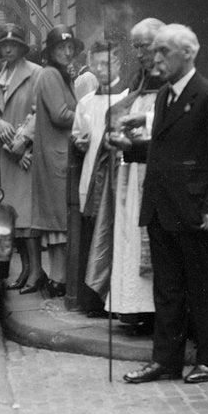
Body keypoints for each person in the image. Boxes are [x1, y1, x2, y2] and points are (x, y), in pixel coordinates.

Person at [122, 24, 208, 385]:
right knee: (167, 288)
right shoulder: (164, 97)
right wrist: (129, 149)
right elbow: (165, 150)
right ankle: (165, 362)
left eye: (163, 52)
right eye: (154, 52)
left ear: (188, 53)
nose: (156, 60)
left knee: (202, 287)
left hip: (193, 210)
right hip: (161, 207)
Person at [87, 18, 165, 332]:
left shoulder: (171, 77)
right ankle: (133, 308)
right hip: (132, 173)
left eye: (143, 45)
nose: (139, 52)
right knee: (130, 238)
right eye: (135, 46)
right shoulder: (140, 78)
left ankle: (155, 310)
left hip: (154, 174)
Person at [72, 40, 131, 315]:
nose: (99, 69)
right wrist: (79, 143)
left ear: (118, 62)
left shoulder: (129, 96)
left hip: (118, 179)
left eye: (105, 63)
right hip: (90, 178)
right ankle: (94, 301)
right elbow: (78, 136)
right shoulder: (84, 102)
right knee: (92, 237)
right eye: (95, 64)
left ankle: (117, 303)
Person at [29, 25, 83, 298]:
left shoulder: (59, 76)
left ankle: (59, 278)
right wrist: (87, 113)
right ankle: (59, 279)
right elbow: (61, 115)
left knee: (59, 223)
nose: (67, 51)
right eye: (61, 48)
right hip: (55, 158)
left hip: (57, 155)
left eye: (70, 47)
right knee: (58, 223)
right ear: (50, 52)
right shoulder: (50, 75)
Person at [0, 24, 42, 292]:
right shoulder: (0, 75)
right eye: (4, 46)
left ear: (22, 48)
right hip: (6, 154)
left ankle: (36, 271)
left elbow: (39, 112)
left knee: (28, 218)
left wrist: (23, 145)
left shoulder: (36, 74)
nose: (8, 49)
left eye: (14, 45)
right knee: (13, 218)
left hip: (25, 155)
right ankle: (24, 271)